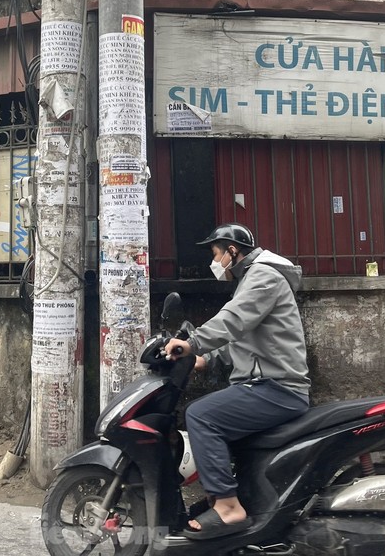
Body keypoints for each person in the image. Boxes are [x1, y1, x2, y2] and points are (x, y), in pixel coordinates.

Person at [163, 223, 310, 539]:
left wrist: (192, 343)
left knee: (201, 415)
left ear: (232, 250)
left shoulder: (263, 277)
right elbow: (241, 340)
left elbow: (233, 321)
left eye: (215, 253)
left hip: (277, 387)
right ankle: (224, 497)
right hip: (264, 384)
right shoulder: (251, 279)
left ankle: (229, 508)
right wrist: (205, 359)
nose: (213, 261)